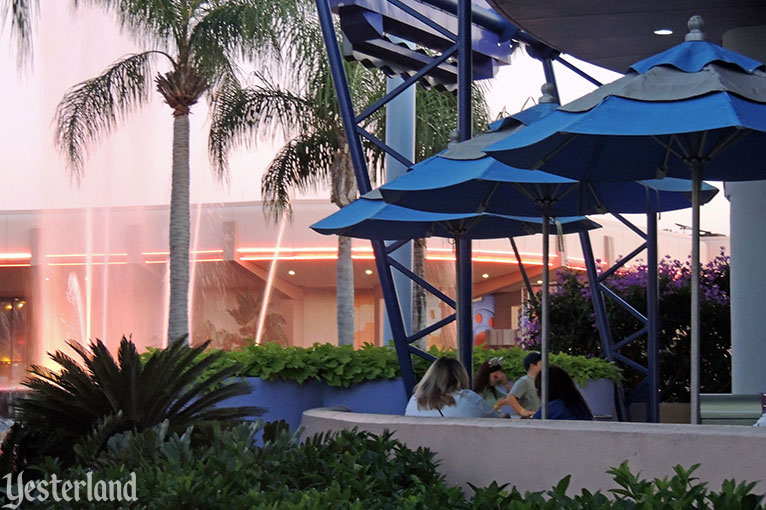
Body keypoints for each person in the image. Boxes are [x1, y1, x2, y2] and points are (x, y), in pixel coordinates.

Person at [405, 357, 500, 418]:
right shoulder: (466, 397)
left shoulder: (414, 400)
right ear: (460, 376)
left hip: (421, 449)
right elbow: (495, 421)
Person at [505, 352, 542, 418]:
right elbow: (510, 398)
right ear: (532, 366)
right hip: (526, 422)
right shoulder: (524, 381)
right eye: (541, 364)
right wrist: (522, 411)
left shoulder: (541, 382)